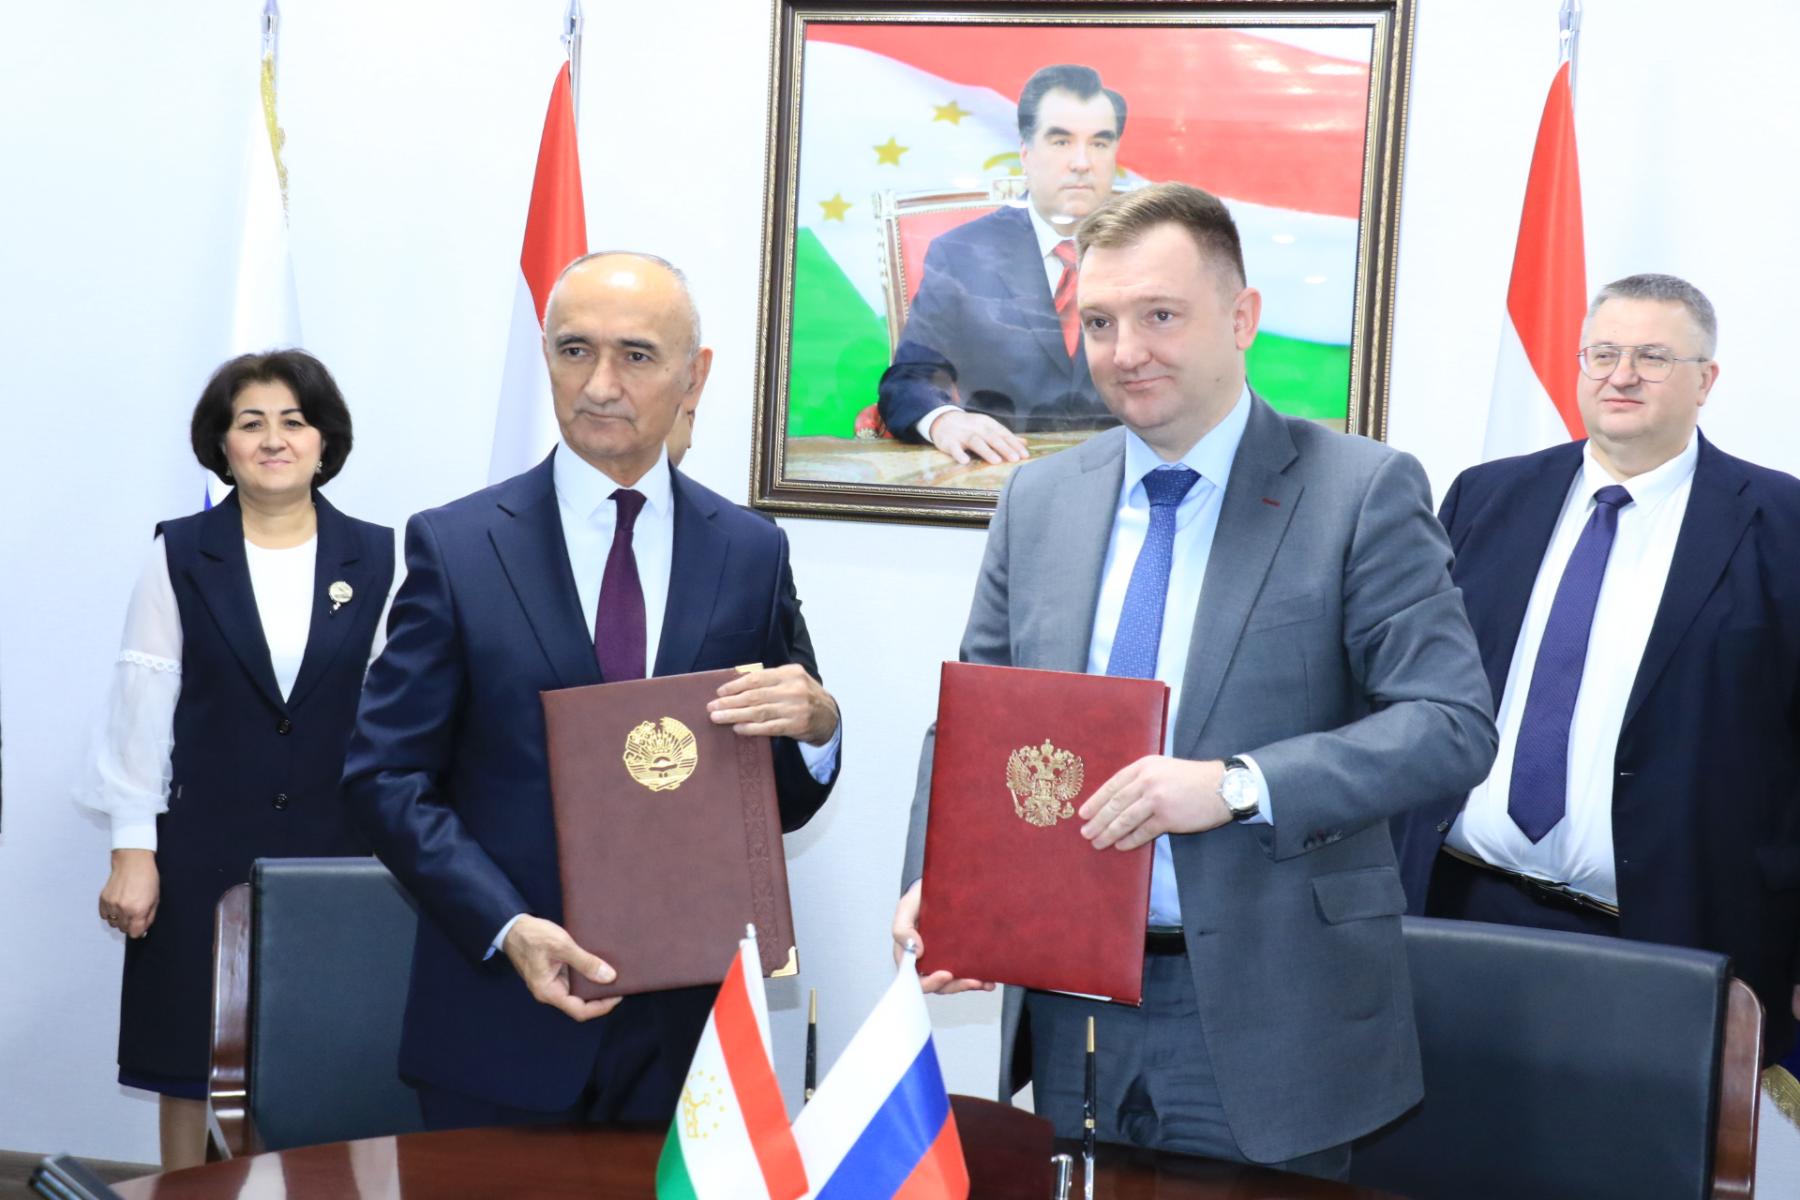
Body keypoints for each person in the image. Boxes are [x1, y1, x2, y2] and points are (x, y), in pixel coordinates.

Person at [891, 183, 1495, 1178]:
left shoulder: (1359, 491)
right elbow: (974, 723)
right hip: (1070, 998)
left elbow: (1449, 723)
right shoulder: (1040, 497)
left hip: (1273, 1011)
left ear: (1242, 317)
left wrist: (1235, 785)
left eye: (1160, 315)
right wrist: (941, 881)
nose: (1126, 350)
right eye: (1099, 322)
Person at [342, 251, 842, 1128]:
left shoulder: (749, 550)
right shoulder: (457, 548)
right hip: (501, 1025)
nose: (600, 384)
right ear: (546, 357)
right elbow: (384, 777)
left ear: (695, 376)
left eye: (636, 355)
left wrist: (819, 728)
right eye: (575, 350)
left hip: (691, 1044)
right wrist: (508, 927)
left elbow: (780, 803)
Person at [1392, 273, 1800, 1063]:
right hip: (1455, 910)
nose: (1622, 375)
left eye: (1653, 357)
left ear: (1706, 380)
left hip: (1670, 939)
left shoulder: (1781, 525)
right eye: (1603, 353)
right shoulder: (1487, 496)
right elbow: (1415, 690)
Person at [83, 350, 394, 1170]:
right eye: (251, 422)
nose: (273, 439)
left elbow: (399, 717)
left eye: (294, 421)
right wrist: (132, 850)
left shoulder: (379, 558)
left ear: (325, 441)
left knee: (331, 1054)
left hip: (341, 849)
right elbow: (142, 705)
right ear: (221, 444)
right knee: (189, 1060)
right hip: (201, 849)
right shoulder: (181, 553)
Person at [876, 64, 1125, 465]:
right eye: (1061, 141)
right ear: (1026, 153)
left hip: (1130, 472)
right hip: (1002, 470)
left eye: (1099, 143)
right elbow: (910, 378)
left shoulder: (1154, 252)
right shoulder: (962, 253)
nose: (1082, 162)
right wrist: (945, 420)